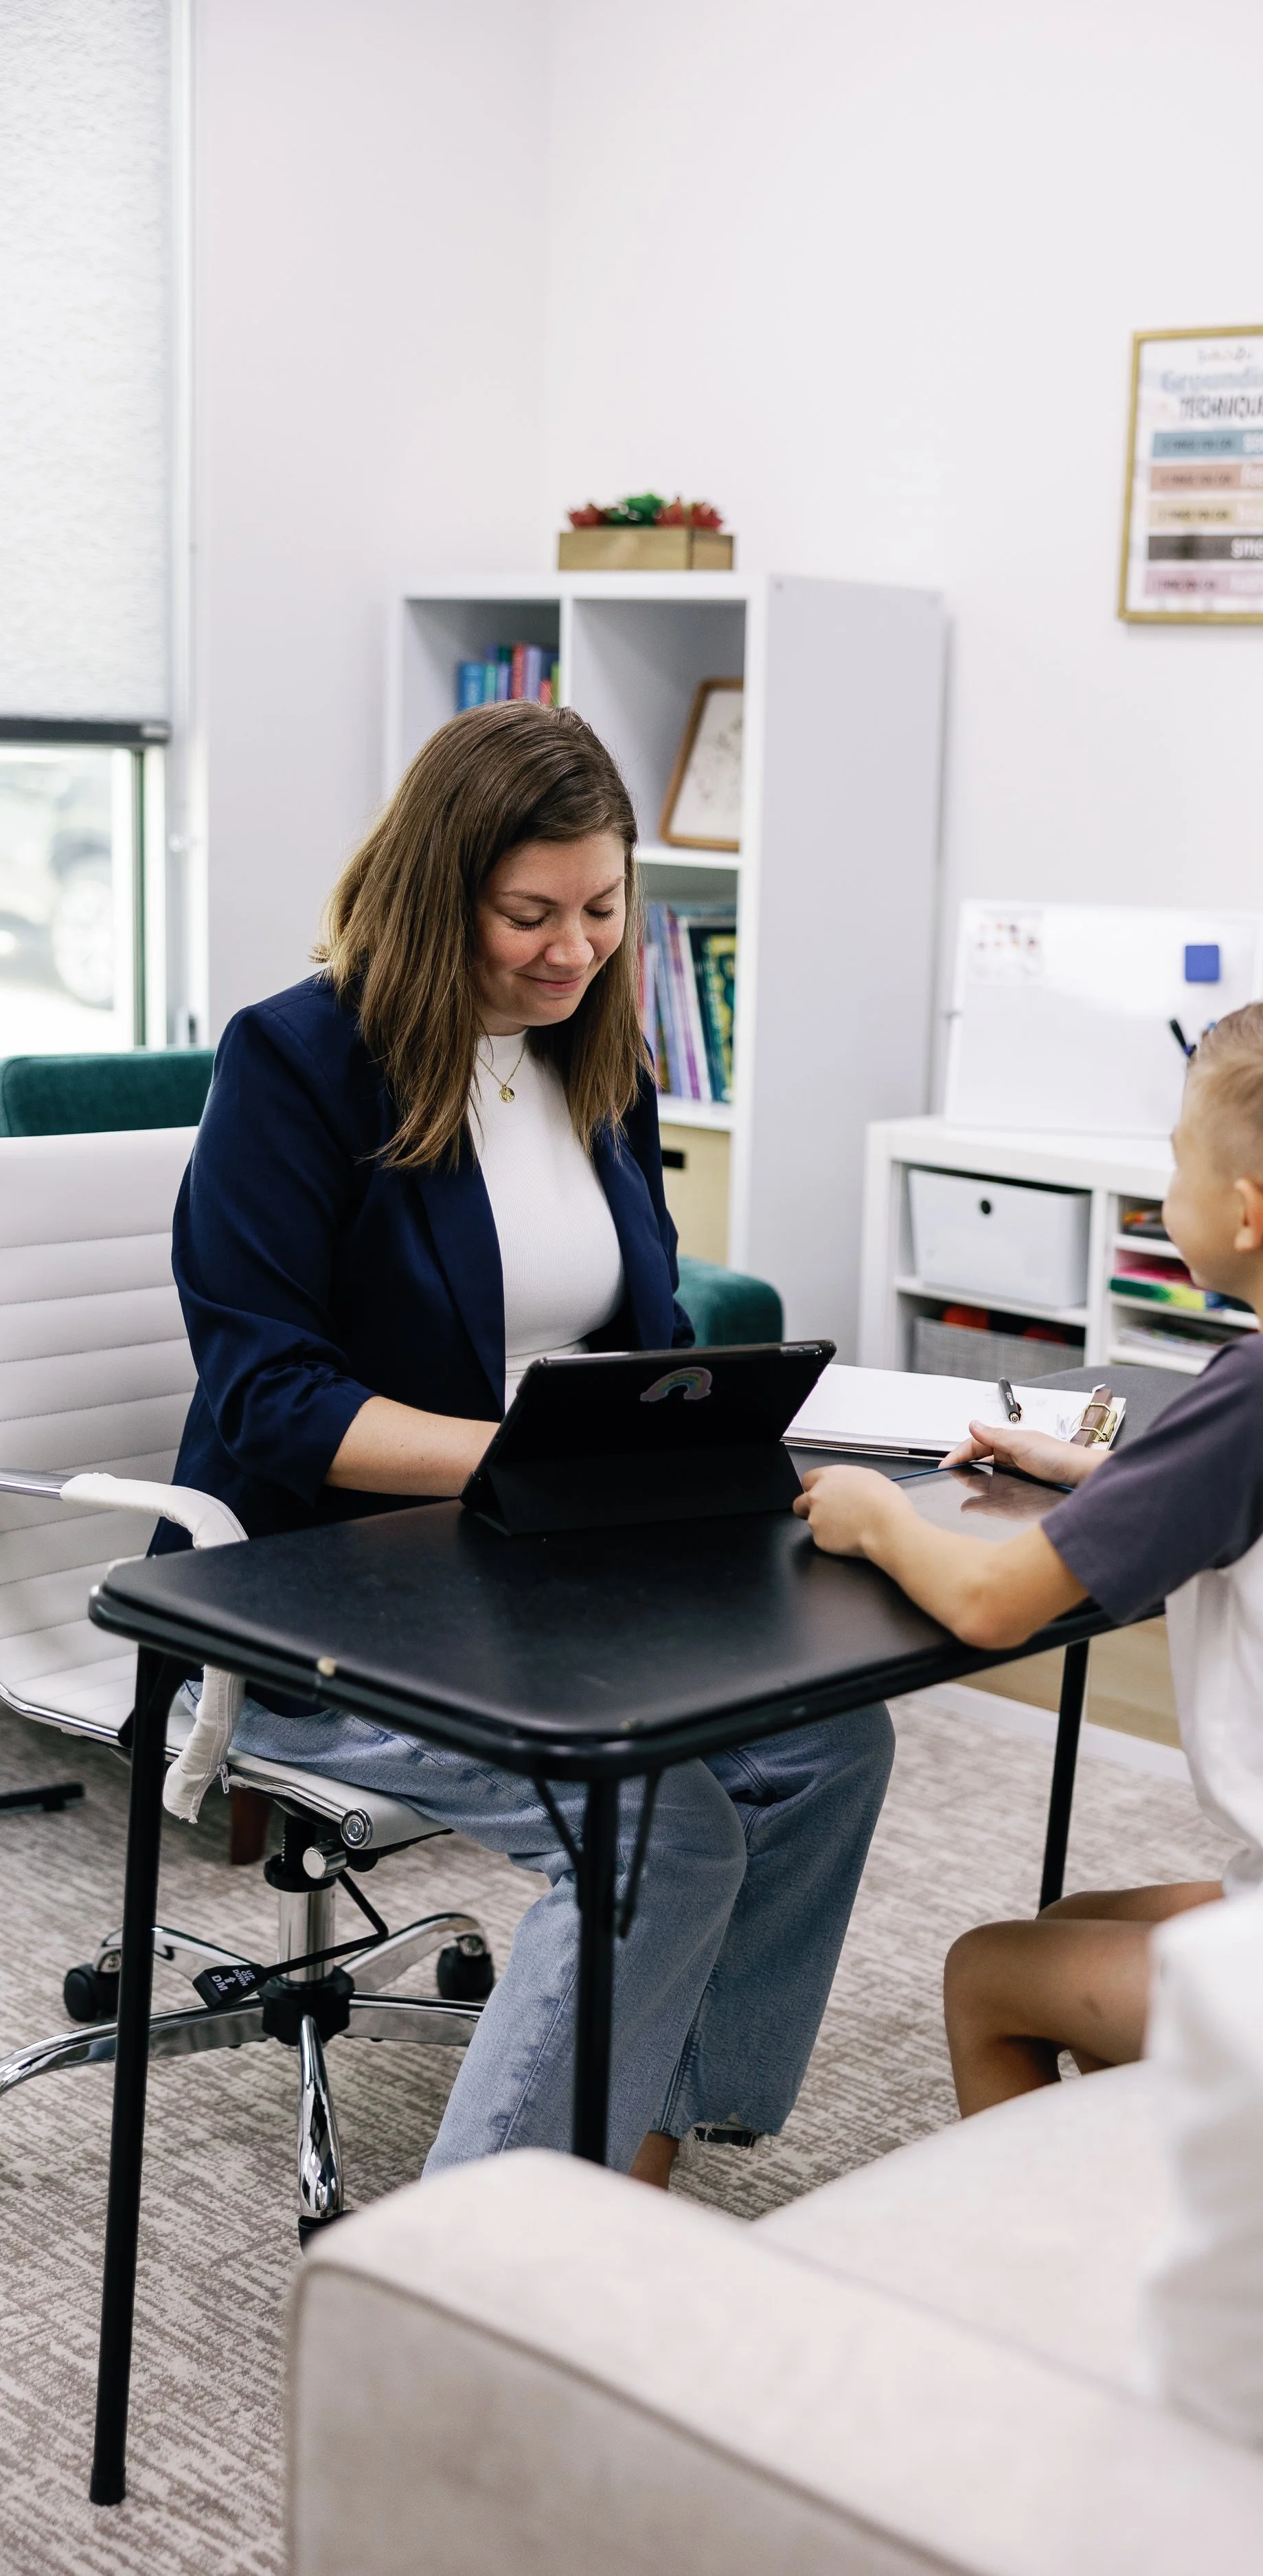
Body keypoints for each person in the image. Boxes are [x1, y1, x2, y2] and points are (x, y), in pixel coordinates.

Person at [164, 700, 893, 2182]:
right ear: (444, 896)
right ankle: (476, 2260)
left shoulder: (593, 1057)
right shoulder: (296, 1063)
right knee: (661, 1833)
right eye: (528, 915)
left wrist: (722, 1446)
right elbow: (267, 1398)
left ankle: (651, 2141)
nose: (572, 949)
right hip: (330, 1595)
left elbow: (648, 1340)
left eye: (603, 909)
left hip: (566, 1571)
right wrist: (513, 1458)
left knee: (830, 1740)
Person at [793, 1002, 1263, 2116]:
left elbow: (989, 1603)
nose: (1166, 1192)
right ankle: (1162, 2182)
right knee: (1067, 1932)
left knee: (988, 1974)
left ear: (1246, 1213)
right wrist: (1086, 1471)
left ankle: (1036, 2272)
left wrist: (874, 1515)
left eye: (1177, 1163)